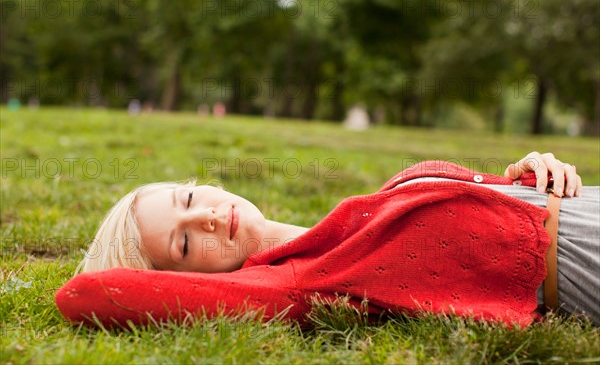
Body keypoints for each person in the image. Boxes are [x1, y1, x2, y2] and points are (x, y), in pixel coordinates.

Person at [56, 152, 599, 328]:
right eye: (184, 245)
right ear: (193, 275)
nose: (209, 220)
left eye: (190, 201)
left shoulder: (352, 217)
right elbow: (85, 295)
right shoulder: (298, 279)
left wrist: (530, 170)